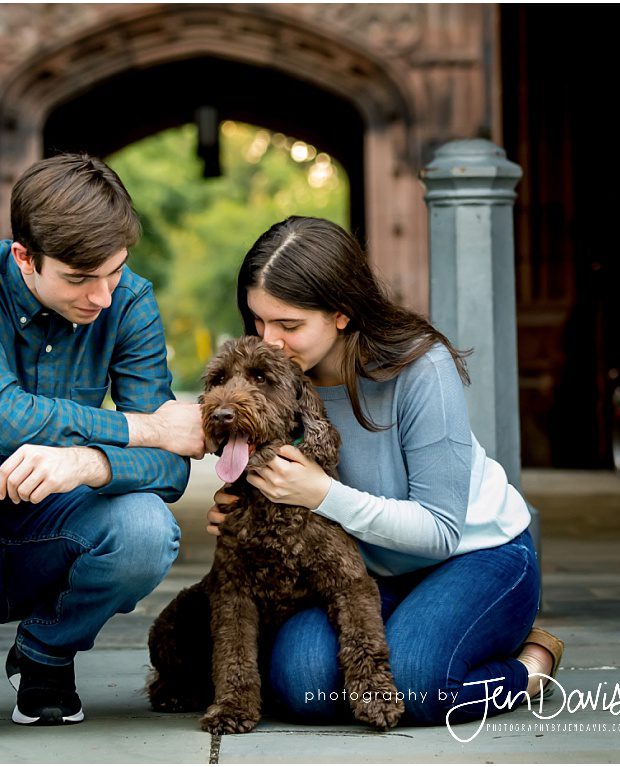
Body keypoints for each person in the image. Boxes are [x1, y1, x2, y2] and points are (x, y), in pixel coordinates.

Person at [0, 153, 207, 738]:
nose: (101, 296)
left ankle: (46, 655)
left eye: (114, 272)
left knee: (148, 527)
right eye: (78, 278)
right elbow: (3, 414)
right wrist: (141, 428)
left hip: (46, 539)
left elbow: (171, 471)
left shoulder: (129, 302)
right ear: (24, 255)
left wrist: (88, 461)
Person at [206, 215, 562, 726]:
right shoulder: (274, 384)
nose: (271, 341)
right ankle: (417, 631)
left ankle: (530, 665)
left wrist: (321, 493)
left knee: (418, 685)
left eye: (289, 325)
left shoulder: (421, 368)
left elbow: (440, 531)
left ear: (342, 314)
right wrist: (241, 507)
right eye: (258, 322)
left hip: (476, 556)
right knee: (301, 682)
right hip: (366, 573)